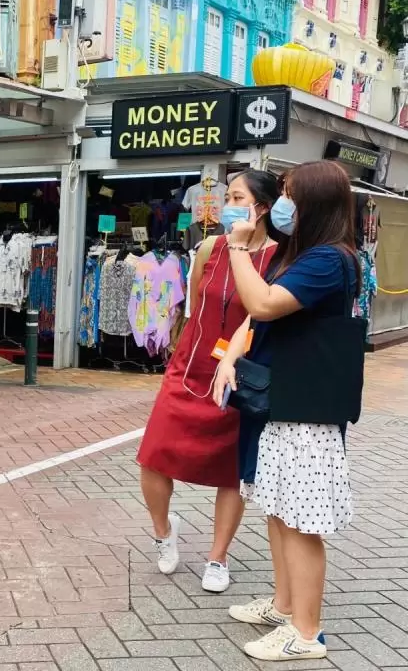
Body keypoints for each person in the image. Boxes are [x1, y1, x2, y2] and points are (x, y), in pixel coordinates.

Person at [214, 160, 360, 662]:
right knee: (279, 512)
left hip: (308, 411)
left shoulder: (328, 261)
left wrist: (236, 246)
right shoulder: (301, 255)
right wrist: (231, 355)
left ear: (314, 202)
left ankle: (306, 633)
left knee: (301, 524)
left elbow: (265, 304)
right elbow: (258, 317)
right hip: (285, 402)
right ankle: (283, 606)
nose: (282, 202)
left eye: (291, 193)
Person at [137, 170, 280, 594]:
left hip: (238, 372)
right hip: (190, 366)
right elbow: (196, 305)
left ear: (263, 207)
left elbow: (265, 315)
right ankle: (164, 532)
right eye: (228, 196)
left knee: (229, 471)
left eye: (237, 196)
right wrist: (179, 353)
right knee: (154, 456)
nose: (226, 204)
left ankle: (218, 557)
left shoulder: (280, 258)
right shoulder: (210, 248)